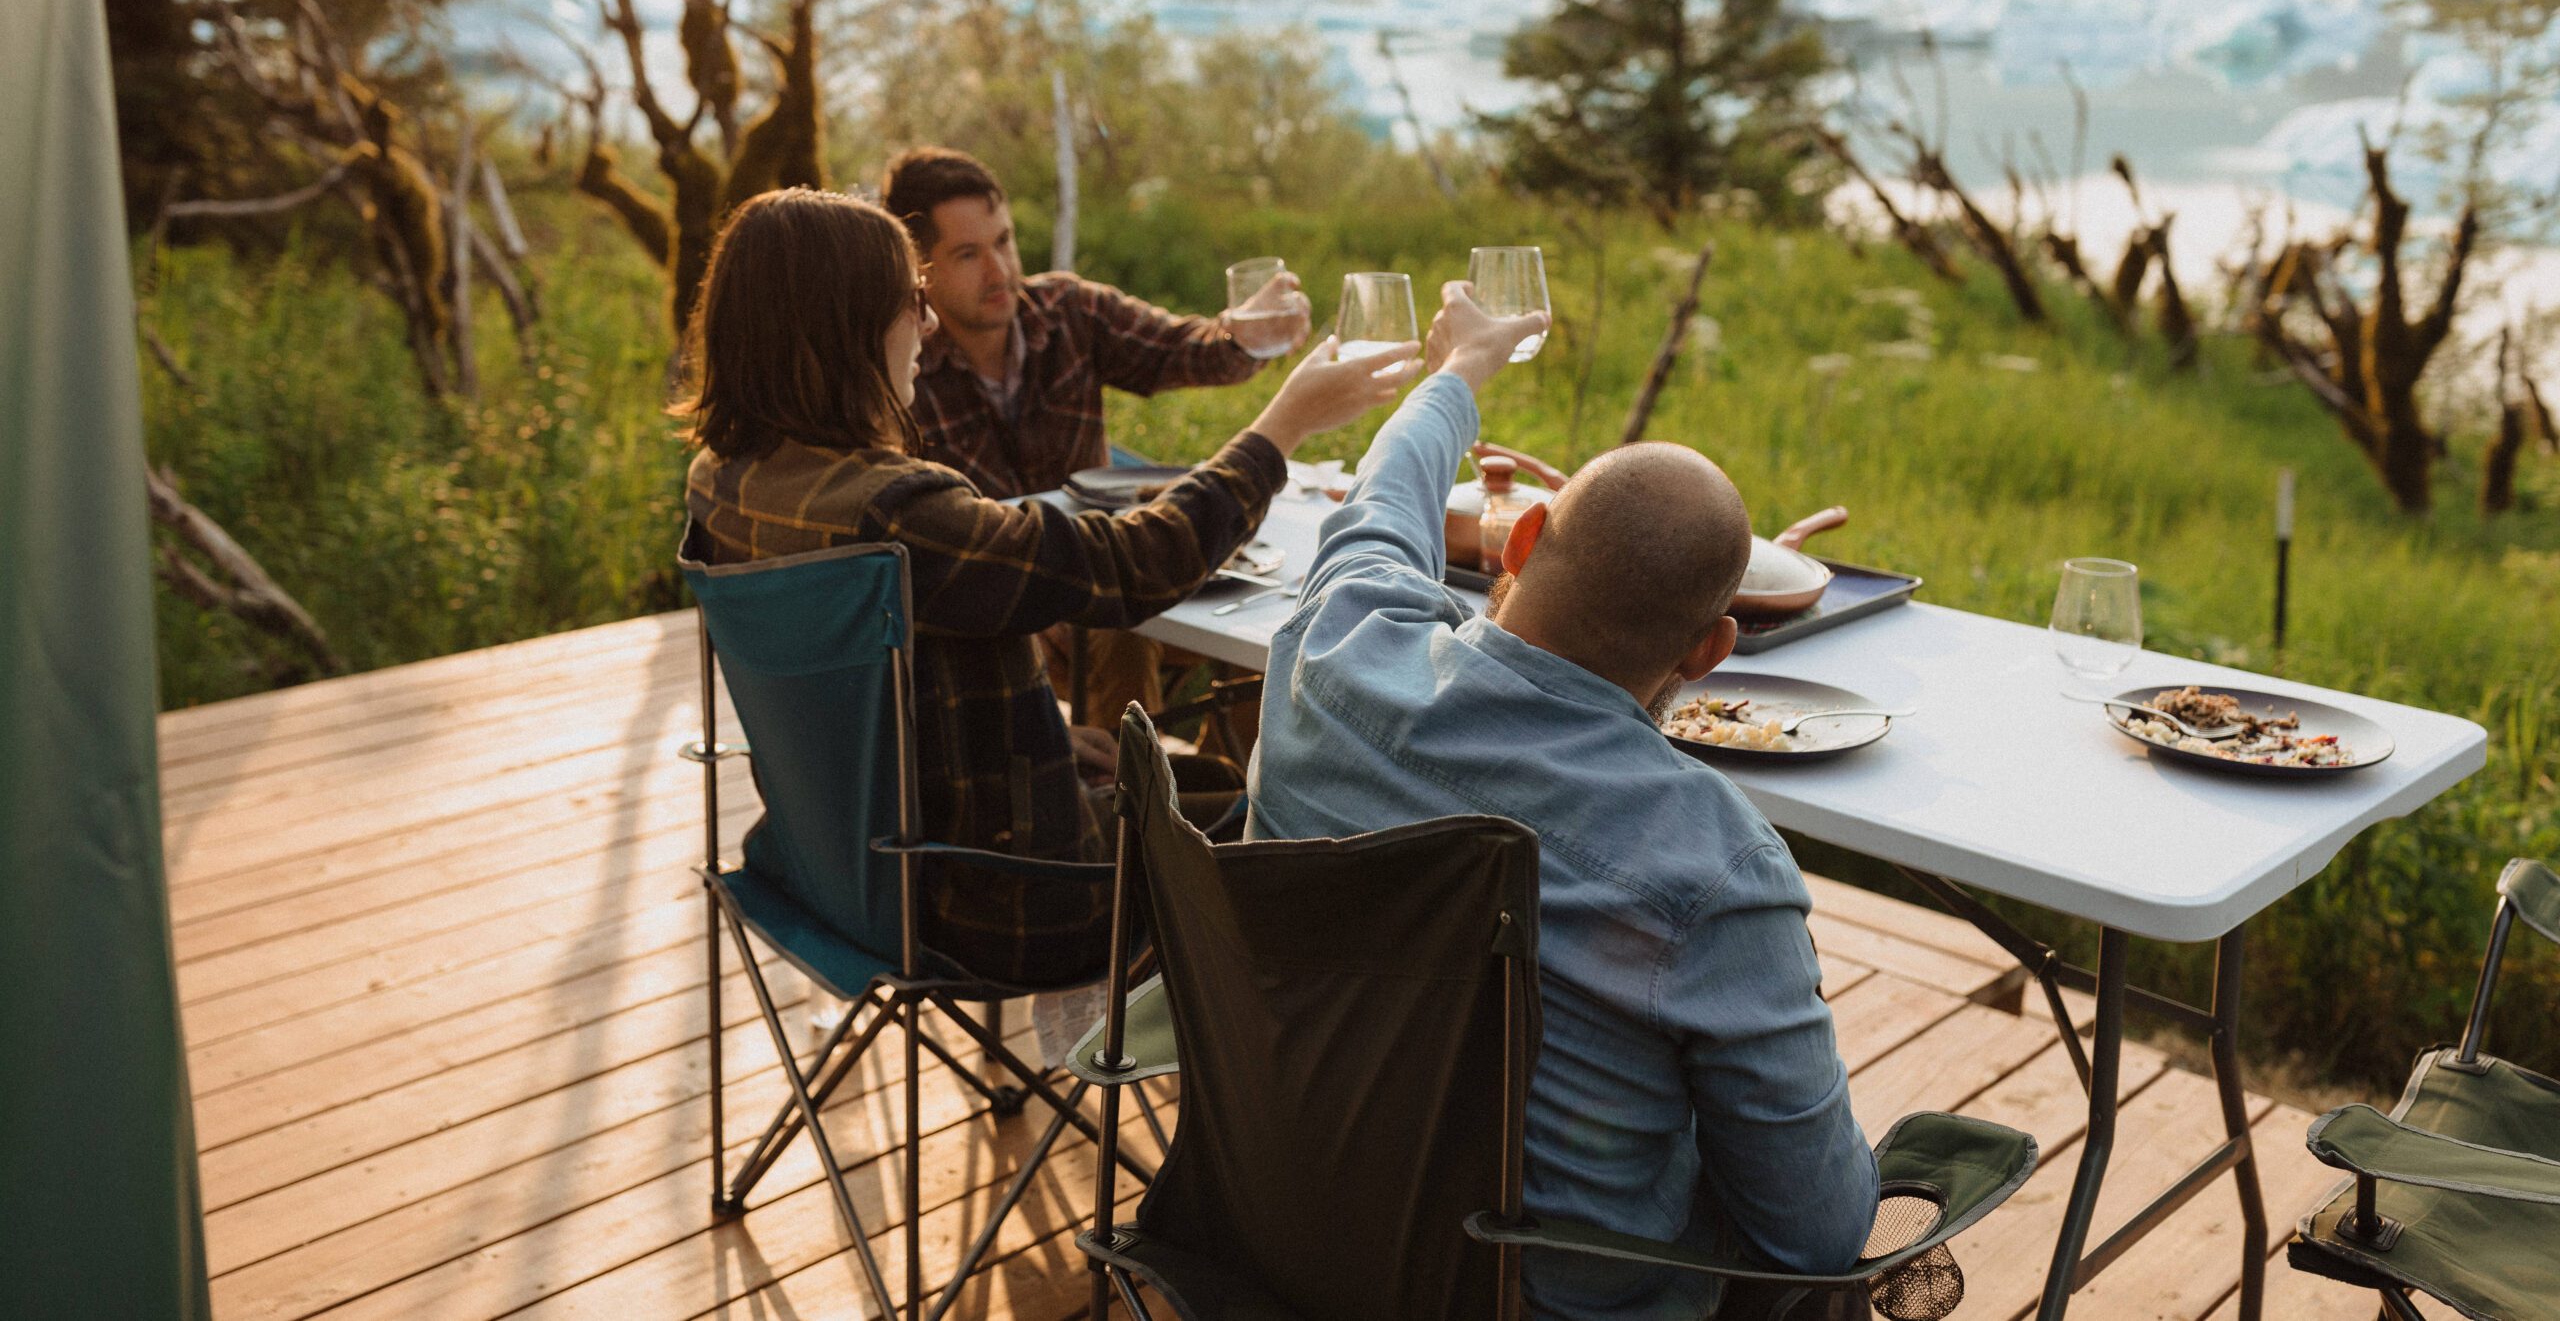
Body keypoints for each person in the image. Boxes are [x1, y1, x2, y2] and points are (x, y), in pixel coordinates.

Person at [1250, 281, 1881, 1319]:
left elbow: (1382, 502)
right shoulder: (1715, 866)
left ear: (1520, 537)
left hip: (1286, 1233)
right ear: (1711, 652)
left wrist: (1461, 373)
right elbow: (1812, 1234)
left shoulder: (1335, 646)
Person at [679, 190, 1408, 987]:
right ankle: (1263, 1087)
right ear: (840, 329)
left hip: (837, 874)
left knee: (1204, 785)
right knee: (1294, 814)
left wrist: (1049, 742)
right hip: (1010, 903)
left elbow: (863, 701)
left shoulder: (724, 480)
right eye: (911, 302)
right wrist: (1281, 428)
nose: (928, 325)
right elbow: (1133, 564)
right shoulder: (898, 513)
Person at [885, 146, 1312, 733]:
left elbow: (1190, 350)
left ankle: (1223, 805)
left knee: (1280, 627)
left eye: (1004, 242)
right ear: (920, 271)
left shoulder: (1068, 310)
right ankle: (1125, 813)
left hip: (1123, 568)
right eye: (968, 254)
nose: (1000, 271)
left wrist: (1246, 333)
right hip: (1002, 615)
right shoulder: (899, 371)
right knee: (1117, 628)